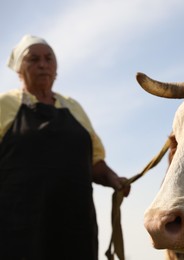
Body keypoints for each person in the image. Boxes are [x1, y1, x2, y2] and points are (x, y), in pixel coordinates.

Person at [0, 35, 129, 260]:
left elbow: (94, 162)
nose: (43, 64)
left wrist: (112, 179)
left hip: (76, 228)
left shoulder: (73, 107)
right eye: (34, 59)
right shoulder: (5, 105)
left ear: (56, 67)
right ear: (19, 69)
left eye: (49, 58)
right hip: (18, 231)